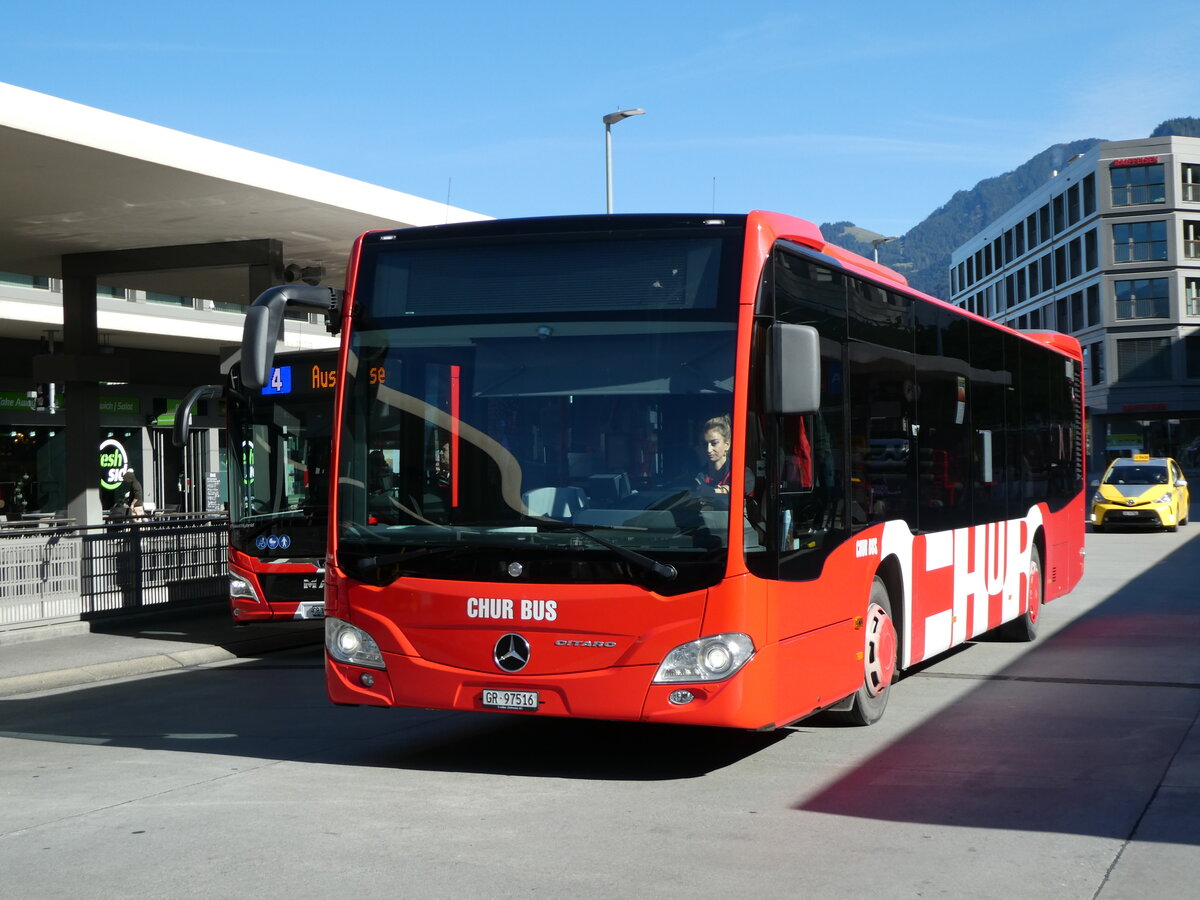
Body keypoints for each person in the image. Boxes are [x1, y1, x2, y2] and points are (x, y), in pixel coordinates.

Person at [696, 415, 732, 495]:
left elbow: (739, 488)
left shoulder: (742, 474)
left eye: (714, 443)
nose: (709, 449)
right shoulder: (697, 476)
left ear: (727, 445)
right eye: (705, 444)